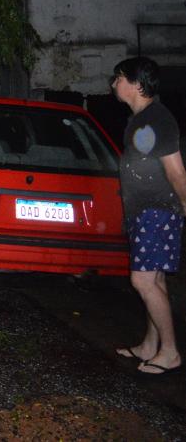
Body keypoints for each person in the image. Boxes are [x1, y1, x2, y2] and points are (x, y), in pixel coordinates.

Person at [111, 57, 185, 375]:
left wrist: (184, 205)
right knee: (154, 279)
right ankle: (149, 345)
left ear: (137, 84)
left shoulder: (158, 120)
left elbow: (176, 171)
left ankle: (170, 352)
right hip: (145, 212)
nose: (114, 84)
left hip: (158, 212)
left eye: (119, 78)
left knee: (141, 280)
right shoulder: (141, 120)